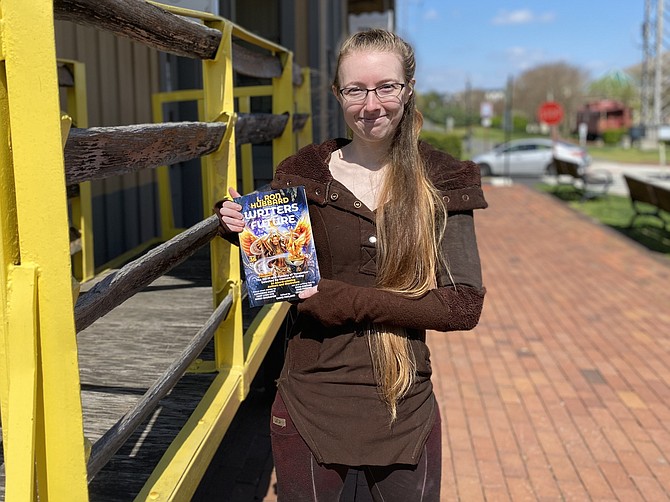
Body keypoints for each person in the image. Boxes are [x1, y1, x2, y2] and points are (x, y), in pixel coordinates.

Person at [215, 28, 487, 502]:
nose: (371, 103)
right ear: (338, 94)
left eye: (386, 87)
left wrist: (339, 299)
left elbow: (461, 307)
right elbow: (287, 275)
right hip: (310, 401)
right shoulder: (304, 172)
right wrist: (245, 230)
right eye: (355, 89)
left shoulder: (442, 178)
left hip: (404, 404)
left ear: (407, 89)